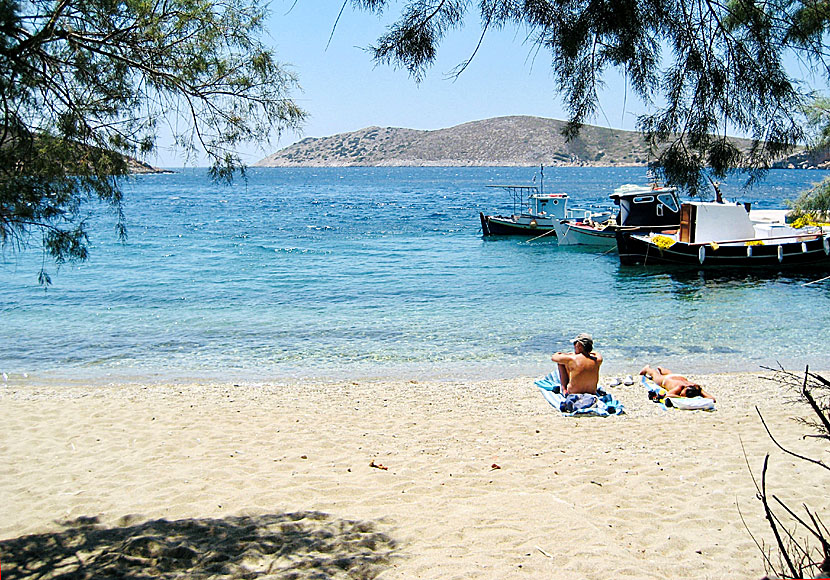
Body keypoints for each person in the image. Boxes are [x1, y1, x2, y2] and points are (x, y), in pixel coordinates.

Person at [639, 365, 716, 401]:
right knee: (654, 375)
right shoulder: (681, 387)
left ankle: (662, 369)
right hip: (666, 379)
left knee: (669, 373)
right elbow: (668, 395)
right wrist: (682, 397)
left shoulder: (696, 387)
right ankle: (647, 368)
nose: (680, 394)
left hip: (677, 376)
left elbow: (712, 399)